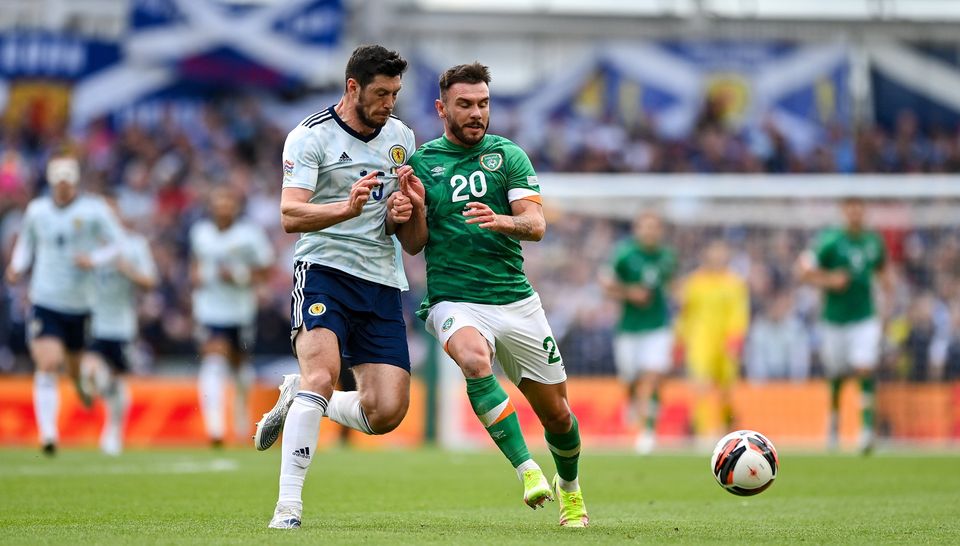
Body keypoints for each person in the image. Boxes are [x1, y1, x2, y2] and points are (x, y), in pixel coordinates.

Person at [395, 62, 589, 528]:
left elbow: (536, 225)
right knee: (475, 362)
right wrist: (416, 209)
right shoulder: (420, 163)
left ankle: (571, 490)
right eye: (465, 104)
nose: (477, 113)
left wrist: (502, 219)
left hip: (516, 301)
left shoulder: (508, 156)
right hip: (453, 298)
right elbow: (414, 243)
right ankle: (528, 471)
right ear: (442, 108)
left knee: (559, 416)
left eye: (483, 104)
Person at [253, 44, 416, 529]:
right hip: (323, 269)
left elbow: (404, 232)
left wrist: (402, 213)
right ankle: (288, 505)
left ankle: (297, 394)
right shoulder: (310, 137)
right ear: (353, 87)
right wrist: (343, 210)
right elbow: (290, 214)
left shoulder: (401, 136)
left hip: (382, 280)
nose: (390, 103)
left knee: (387, 411)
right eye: (382, 93)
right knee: (322, 376)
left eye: (395, 93)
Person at [4, 153, 122, 455]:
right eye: (58, 182)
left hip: (81, 303)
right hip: (46, 299)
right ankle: (48, 434)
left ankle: (81, 384)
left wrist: (93, 259)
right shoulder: (37, 210)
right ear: (51, 181)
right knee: (48, 363)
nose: (63, 188)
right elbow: (26, 243)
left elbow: (119, 243)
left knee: (72, 367)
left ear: (75, 181)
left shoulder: (94, 211)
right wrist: (18, 265)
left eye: (67, 182)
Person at [797, 197, 893, 453]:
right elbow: (803, 271)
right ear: (843, 212)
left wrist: (886, 289)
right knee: (837, 373)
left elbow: (883, 271)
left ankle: (866, 431)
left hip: (865, 317)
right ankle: (834, 424)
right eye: (850, 209)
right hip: (834, 319)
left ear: (864, 212)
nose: (855, 214)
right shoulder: (830, 242)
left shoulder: (874, 241)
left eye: (859, 209)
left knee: (865, 367)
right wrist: (830, 280)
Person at [190, 186, 275, 448]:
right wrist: (196, 278)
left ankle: (240, 418)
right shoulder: (200, 233)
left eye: (228, 200)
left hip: (240, 312)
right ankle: (214, 428)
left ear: (235, 206)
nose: (223, 206)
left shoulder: (249, 236)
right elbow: (194, 265)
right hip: (209, 311)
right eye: (219, 201)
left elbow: (266, 271)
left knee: (240, 368)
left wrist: (239, 276)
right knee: (214, 359)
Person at [81, 192, 158, 455]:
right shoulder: (85, 245)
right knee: (89, 371)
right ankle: (95, 390)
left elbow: (150, 282)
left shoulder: (134, 245)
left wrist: (126, 269)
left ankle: (113, 430)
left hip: (121, 325)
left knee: (113, 381)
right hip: (90, 322)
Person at [600, 211, 676, 454]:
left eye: (654, 227)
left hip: (657, 327)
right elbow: (605, 283)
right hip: (629, 328)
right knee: (631, 378)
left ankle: (648, 432)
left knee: (653, 377)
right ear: (637, 229)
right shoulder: (625, 255)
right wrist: (630, 293)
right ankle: (632, 398)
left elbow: (672, 285)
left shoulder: (667, 257)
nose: (650, 232)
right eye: (646, 227)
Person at [676, 239, 749, 443]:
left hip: (726, 342)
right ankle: (704, 433)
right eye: (713, 253)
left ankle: (728, 429)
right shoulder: (694, 282)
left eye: (721, 253)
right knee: (701, 387)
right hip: (700, 341)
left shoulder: (735, 283)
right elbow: (685, 313)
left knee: (726, 391)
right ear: (706, 256)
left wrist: (736, 338)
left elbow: (740, 312)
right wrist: (680, 339)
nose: (717, 257)